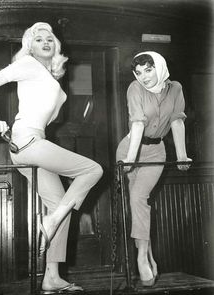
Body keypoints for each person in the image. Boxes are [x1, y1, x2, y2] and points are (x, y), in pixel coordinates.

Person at [0, 22, 103, 293]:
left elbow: (49, 110)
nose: (45, 42)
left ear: (56, 45)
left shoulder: (50, 77)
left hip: (34, 143)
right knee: (93, 170)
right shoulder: (28, 64)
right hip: (27, 140)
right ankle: (50, 221)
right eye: (38, 39)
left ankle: (52, 277)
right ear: (29, 46)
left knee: (62, 206)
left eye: (49, 38)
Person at [116, 51, 192, 287]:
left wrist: (182, 156)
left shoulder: (175, 88)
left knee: (140, 197)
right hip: (130, 148)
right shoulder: (134, 89)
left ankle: (141, 256)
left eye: (148, 70)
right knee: (135, 202)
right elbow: (138, 123)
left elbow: (177, 121)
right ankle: (147, 255)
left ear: (159, 67)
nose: (143, 77)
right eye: (138, 72)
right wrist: (129, 158)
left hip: (157, 151)